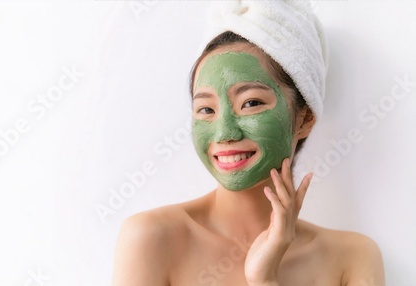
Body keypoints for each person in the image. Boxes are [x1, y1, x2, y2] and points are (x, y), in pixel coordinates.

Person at [112, 1, 385, 285]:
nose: (224, 133)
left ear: (304, 118)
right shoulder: (151, 238)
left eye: (250, 103)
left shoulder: (352, 258)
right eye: (206, 109)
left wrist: (264, 280)